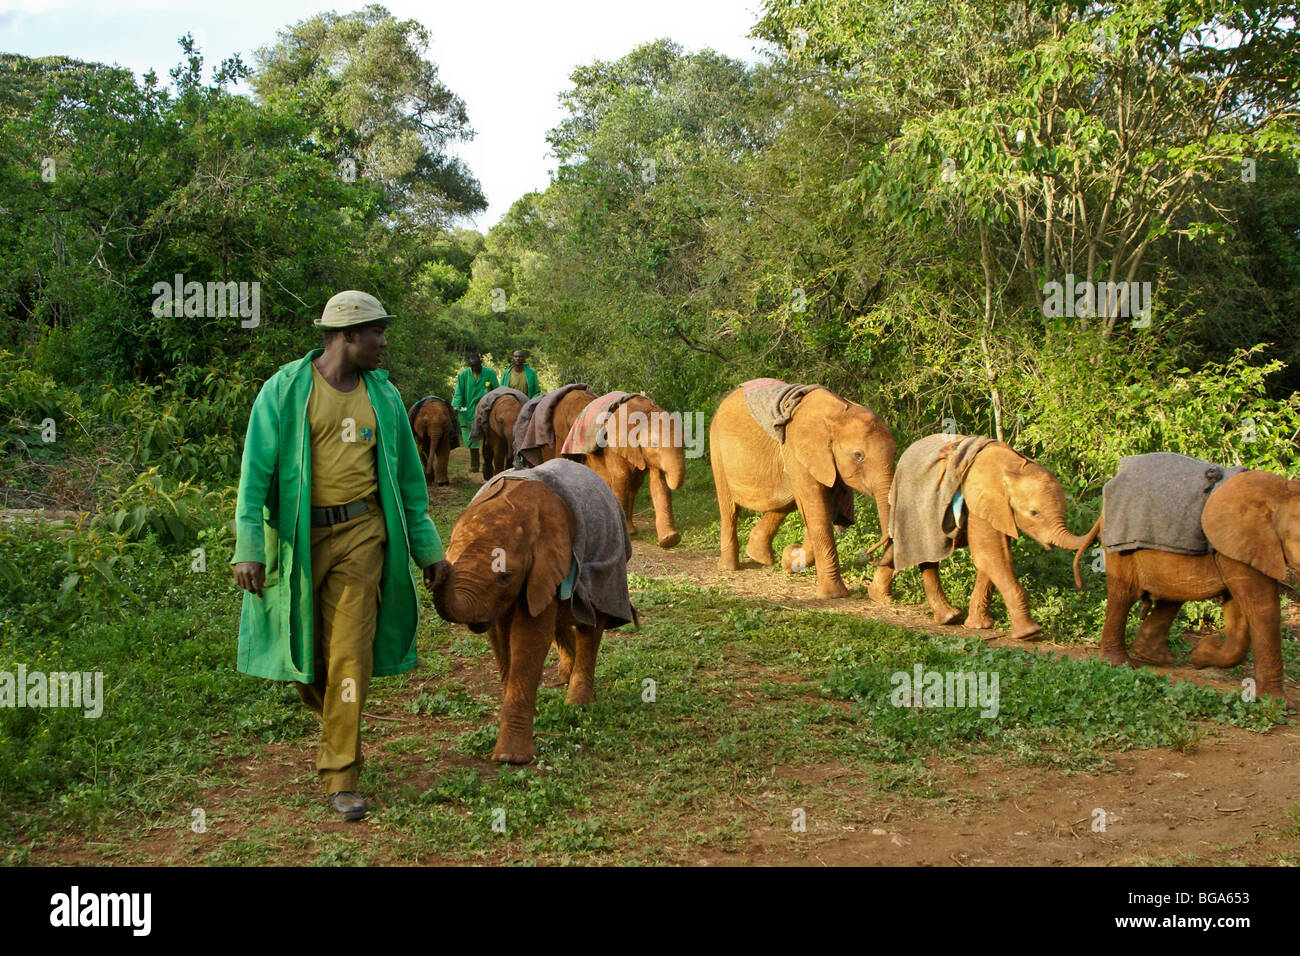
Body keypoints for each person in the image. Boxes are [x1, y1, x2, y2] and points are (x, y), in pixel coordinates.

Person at [231, 290, 444, 822]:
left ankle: (341, 774)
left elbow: (410, 484)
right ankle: (334, 720)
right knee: (307, 661)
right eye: (377, 332)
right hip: (299, 541)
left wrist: (430, 551)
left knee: (351, 654)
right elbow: (253, 476)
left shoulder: (385, 397)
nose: (383, 342)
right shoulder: (284, 391)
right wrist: (248, 547)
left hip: (363, 536)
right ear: (347, 335)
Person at [451, 352, 499, 473]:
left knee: (489, 437)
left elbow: (497, 390)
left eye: (477, 365)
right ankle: (475, 465)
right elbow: (458, 392)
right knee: (471, 439)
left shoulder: (490, 374)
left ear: (480, 363)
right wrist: (456, 407)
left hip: (486, 409)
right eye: (472, 366)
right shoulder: (463, 375)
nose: (475, 368)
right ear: (469, 365)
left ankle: (489, 464)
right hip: (468, 410)